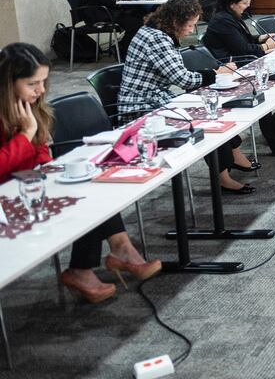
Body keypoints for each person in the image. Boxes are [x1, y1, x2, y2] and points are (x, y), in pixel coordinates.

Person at [0, 43, 161, 303]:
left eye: (43, 81)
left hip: (27, 186)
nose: (41, 90)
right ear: (8, 84)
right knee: (83, 192)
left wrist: (44, 164)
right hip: (7, 198)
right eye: (32, 84)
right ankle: (102, 259)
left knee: (91, 185)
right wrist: (25, 134)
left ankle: (112, 251)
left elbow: (39, 151)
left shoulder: (29, 106)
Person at [117, 0, 254, 193]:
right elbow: (183, 79)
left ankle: (232, 160)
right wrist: (216, 73)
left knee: (212, 114)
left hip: (158, 98)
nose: (191, 31)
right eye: (189, 25)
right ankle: (222, 177)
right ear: (175, 21)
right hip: (141, 108)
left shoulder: (154, 31)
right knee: (206, 120)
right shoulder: (156, 38)